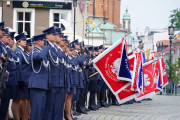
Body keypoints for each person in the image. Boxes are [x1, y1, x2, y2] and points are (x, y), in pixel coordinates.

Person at [28, 33, 50, 120]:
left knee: (41, 110)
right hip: (37, 85)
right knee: (36, 112)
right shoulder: (34, 51)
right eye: (44, 41)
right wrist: (46, 48)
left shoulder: (42, 52)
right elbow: (39, 57)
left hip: (43, 85)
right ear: (39, 42)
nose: (45, 43)